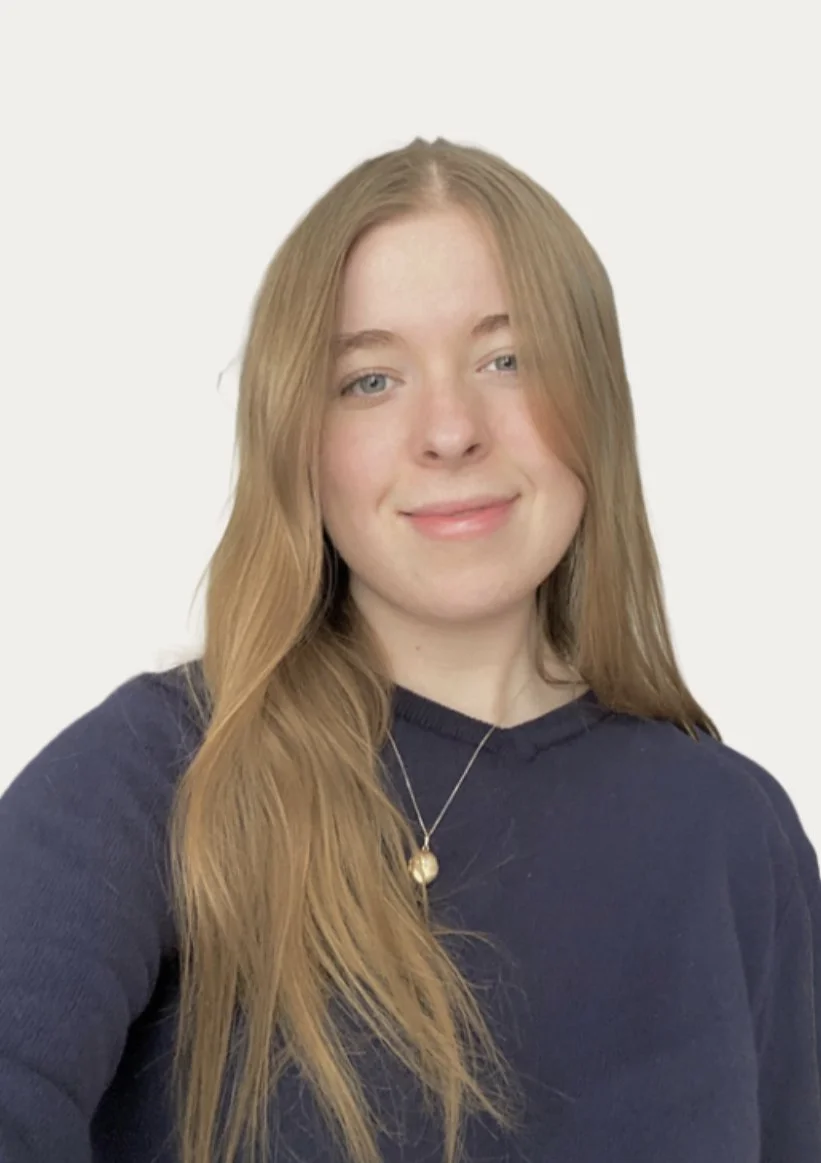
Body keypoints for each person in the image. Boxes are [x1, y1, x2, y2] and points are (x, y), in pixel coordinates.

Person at [1, 136, 819, 1163]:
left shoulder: (733, 834)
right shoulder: (161, 772)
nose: (449, 429)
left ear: (596, 400)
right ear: (298, 439)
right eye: (371, 378)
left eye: (506, 359)